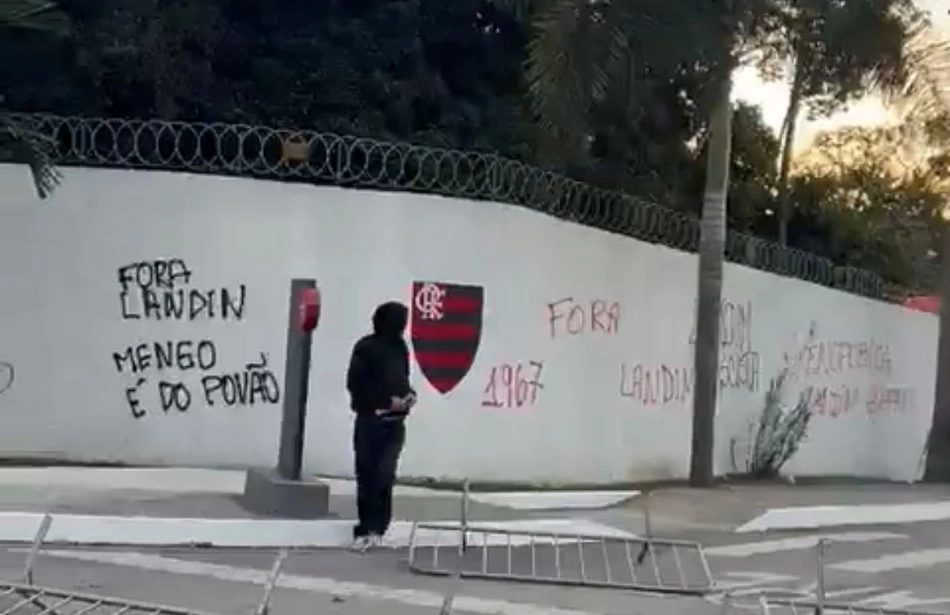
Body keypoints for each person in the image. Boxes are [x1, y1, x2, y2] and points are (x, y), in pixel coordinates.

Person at [345, 301, 417, 551]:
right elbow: (355, 384)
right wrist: (386, 401)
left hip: (395, 423)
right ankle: (365, 526)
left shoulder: (400, 348)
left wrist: (409, 396)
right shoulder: (366, 347)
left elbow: (403, 380)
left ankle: (380, 525)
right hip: (370, 420)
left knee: (386, 474)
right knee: (367, 474)